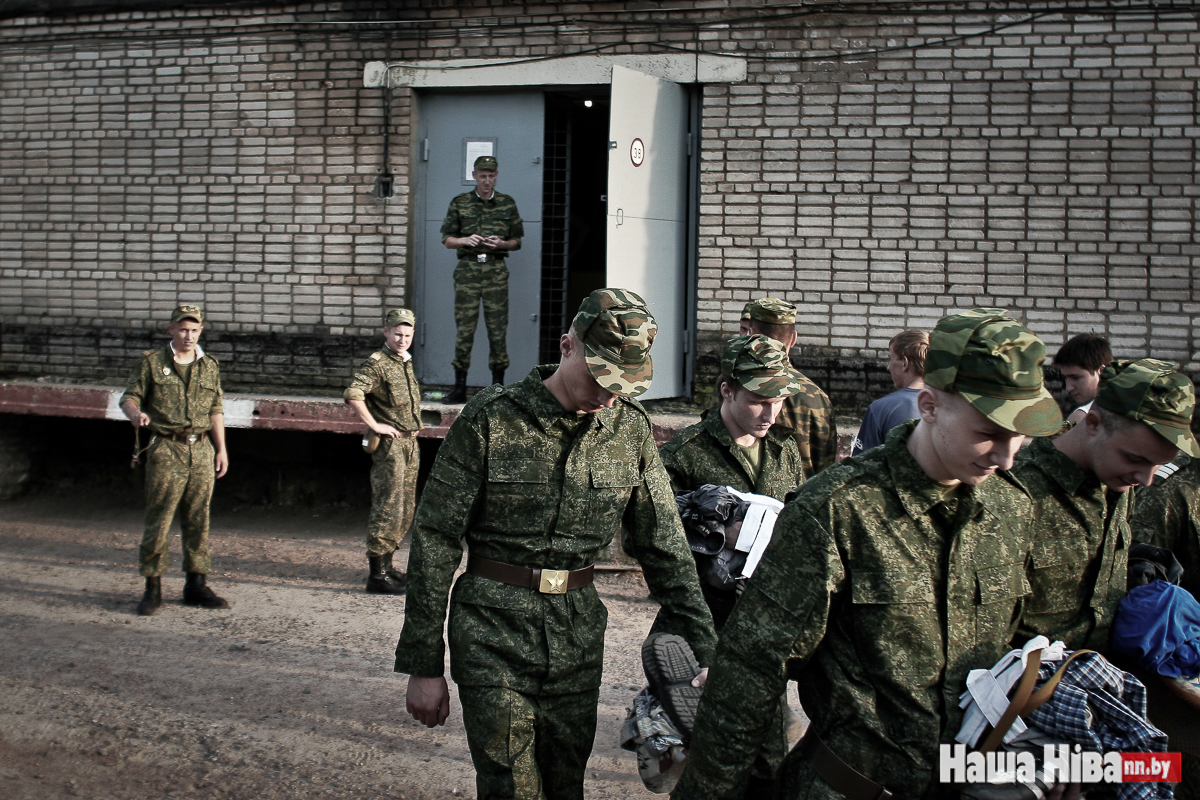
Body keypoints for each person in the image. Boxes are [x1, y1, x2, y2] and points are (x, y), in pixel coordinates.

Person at [672, 308, 1064, 800]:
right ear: (929, 405)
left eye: (1020, 435)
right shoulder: (838, 509)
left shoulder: (1012, 507)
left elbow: (1029, 650)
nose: (1007, 457)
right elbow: (753, 666)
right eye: (989, 432)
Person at [394, 288, 716, 800]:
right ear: (568, 346)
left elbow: (666, 547)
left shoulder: (628, 431)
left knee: (566, 782)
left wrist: (706, 650)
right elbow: (434, 542)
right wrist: (424, 664)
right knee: (511, 787)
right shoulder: (491, 419)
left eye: (625, 385)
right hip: (491, 633)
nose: (610, 396)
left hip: (576, 635)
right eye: (601, 377)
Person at [660, 333, 807, 796]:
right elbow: (650, 540)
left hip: (762, 626)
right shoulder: (684, 454)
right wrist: (711, 536)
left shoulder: (784, 452)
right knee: (708, 760)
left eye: (779, 400)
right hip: (706, 616)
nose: (770, 413)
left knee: (768, 759)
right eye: (758, 400)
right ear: (726, 390)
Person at [1012, 358, 1196, 652]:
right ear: (1094, 424)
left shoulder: (1116, 480)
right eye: (1136, 459)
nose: (1146, 480)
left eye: (1158, 464)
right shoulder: (1018, 491)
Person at [119, 304, 230, 616]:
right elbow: (129, 397)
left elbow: (216, 409)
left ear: (201, 331)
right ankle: (152, 588)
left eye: (194, 330)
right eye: (183, 329)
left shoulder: (209, 365)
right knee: (161, 518)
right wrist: (135, 414)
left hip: (202, 449)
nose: (189, 335)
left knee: (199, 518)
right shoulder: (152, 364)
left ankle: (196, 584)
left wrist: (221, 449)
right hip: (167, 449)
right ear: (171, 329)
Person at [707, 298, 836, 479]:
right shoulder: (818, 397)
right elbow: (825, 468)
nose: (770, 417)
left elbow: (712, 437)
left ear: (751, 334)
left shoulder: (735, 383)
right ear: (794, 338)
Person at [344, 307, 423, 595]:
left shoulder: (404, 362)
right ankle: (376, 576)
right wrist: (374, 424)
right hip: (390, 447)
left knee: (404, 509)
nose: (402, 339)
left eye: (407, 334)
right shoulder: (377, 363)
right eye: (397, 334)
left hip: (410, 444)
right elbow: (353, 393)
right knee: (387, 506)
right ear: (386, 332)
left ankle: (388, 567)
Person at [440, 154, 524, 403]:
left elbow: (517, 241)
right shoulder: (460, 202)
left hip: (495, 271)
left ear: (496, 176)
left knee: (497, 330)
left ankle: (497, 388)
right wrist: (465, 240)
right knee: (465, 329)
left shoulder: (507, 204)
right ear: (474, 175)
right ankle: (459, 387)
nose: (487, 180)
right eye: (482, 175)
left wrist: (501, 243)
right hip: (467, 271)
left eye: (491, 175)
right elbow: (446, 239)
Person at [850, 328, 929, 456]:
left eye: (891, 359)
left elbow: (862, 467)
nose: (888, 367)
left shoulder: (882, 409)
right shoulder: (951, 404)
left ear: (905, 363)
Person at [1054, 333, 1112, 423]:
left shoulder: (1083, 417)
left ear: (1102, 371)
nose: (1069, 388)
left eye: (1076, 378)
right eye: (1066, 378)